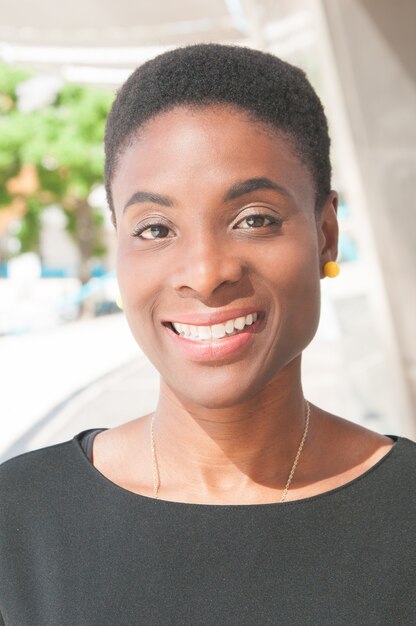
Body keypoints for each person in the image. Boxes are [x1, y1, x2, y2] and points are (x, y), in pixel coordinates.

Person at [0, 43, 415, 626]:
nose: (205, 273)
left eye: (254, 219)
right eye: (154, 228)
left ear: (325, 233)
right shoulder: (16, 523)